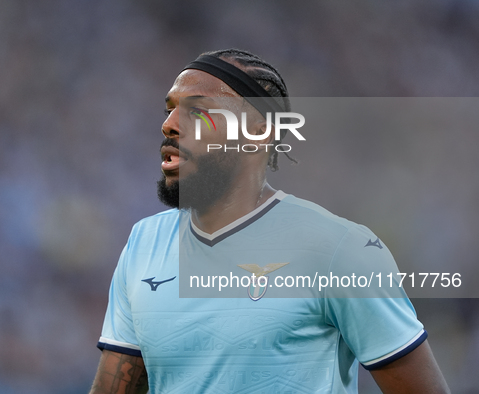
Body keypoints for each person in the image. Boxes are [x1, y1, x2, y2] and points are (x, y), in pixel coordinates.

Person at [89, 49, 450, 393]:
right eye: (170, 110)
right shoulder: (144, 243)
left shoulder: (339, 249)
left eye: (198, 113)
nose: (169, 125)